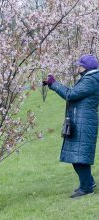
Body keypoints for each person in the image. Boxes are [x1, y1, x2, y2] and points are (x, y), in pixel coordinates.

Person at [43, 54, 99, 198]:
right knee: (78, 156)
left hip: (84, 122)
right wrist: (52, 84)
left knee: (79, 157)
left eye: (80, 65)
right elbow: (73, 93)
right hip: (81, 121)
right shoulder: (89, 79)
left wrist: (54, 84)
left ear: (86, 68)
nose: (77, 67)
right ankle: (88, 183)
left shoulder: (90, 81)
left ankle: (87, 188)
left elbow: (71, 94)